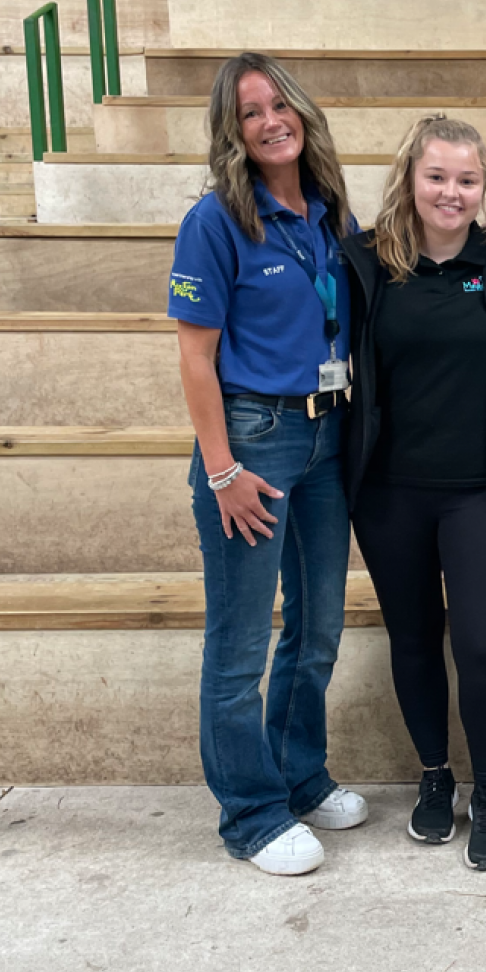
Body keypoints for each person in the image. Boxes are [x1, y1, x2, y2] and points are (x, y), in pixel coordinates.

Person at [169, 53, 366, 876]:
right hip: (253, 441)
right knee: (242, 641)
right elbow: (194, 358)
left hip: (328, 438)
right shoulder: (216, 221)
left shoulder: (330, 213)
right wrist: (222, 471)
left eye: (279, 103)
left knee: (318, 626)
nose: (270, 120)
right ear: (233, 131)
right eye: (251, 112)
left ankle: (298, 773)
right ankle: (250, 812)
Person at [341, 116, 486, 873]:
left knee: (482, 643)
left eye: (467, 179)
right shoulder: (364, 264)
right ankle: (433, 775)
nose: (451, 192)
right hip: (390, 494)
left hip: (484, 492)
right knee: (414, 638)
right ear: (409, 180)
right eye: (437, 177)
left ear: (484, 189)